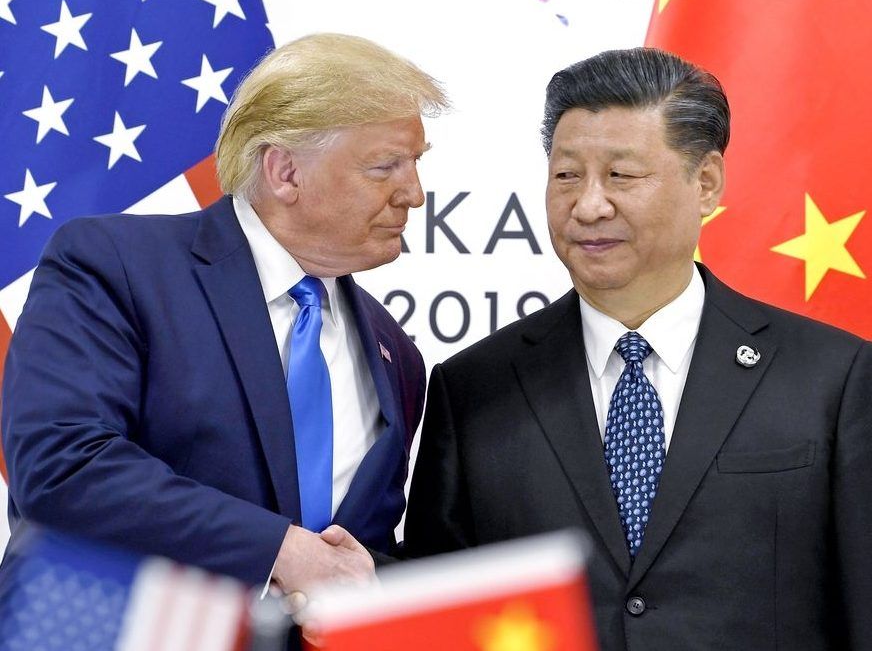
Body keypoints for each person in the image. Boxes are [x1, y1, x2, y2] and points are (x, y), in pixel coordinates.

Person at [404, 47, 872, 650]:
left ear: (704, 183)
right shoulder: (474, 388)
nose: (589, 205)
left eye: (621, 175)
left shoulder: (831, 377)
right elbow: (440, 609)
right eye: (567, 175)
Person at [2, 32, 447, 603]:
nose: (413, 193)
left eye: (414, 164)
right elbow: (61, 466)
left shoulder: (396, 354)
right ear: (285, 171)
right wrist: (280, 552)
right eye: (385, 166)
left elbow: (352, 561)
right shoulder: (115, 266)